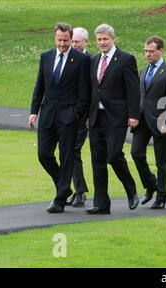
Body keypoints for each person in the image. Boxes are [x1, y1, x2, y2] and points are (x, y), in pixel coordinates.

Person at [29, 22, 91, 213]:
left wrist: (77, 114)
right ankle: (64, 187)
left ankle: (59, 199)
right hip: (48, 115)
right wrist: (34, 111)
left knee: (67, 158)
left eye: (66, 40)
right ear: (54, 38)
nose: (62, 44)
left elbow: (84, 91)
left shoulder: (81, 59)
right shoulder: (46, 57)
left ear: (71, 39)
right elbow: (40, 85)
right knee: (44, 154)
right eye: (59, 40)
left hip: (69, 118)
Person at [86, 24, 141, 214]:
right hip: (96, 117)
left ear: (113, 39)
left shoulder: (126, 59)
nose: (102, 43)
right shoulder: (93, 60)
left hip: (116, 117)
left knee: (113, 155)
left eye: (105, 39)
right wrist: (87, 115)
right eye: (99, 40)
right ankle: (101, 204)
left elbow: (133, 90)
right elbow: (92, 90)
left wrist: (134, 115)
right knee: (97, 160)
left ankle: (131, 189)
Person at [131, 36, 166, 209]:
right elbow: (139, 95)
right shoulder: (143, 71)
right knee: (136, 153)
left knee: (162, 161)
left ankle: (161, 196)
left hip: (160, 122)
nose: (148, 54)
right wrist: (133, 115)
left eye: (151, 51)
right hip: (142, 120)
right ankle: (151, 184)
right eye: (146, 51)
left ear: (160, 50)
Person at [66, 27, 91, 207]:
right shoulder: (66, 59)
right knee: (68, 151)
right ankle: (72, 190)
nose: (74, 45)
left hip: (84, 115)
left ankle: (80, 192)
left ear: (85, 42)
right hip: (67, 114)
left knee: (73, 149)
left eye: (77, 42)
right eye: (72, 41)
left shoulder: (91, 61)